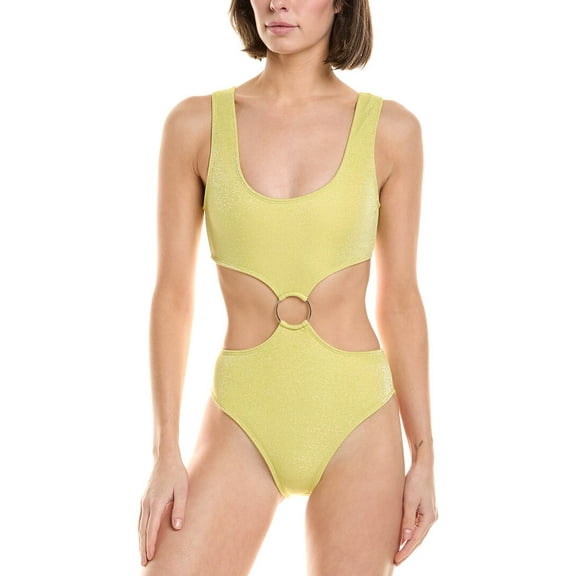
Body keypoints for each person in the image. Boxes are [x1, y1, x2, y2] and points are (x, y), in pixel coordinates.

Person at [138, 0, 437, 574]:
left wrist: (423, 455)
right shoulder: (195, 125)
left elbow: (401, 299)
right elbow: (173, 295)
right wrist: (165, 451)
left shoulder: (392, 131)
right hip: (243, 415)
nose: (278, 2)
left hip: (357, 418)